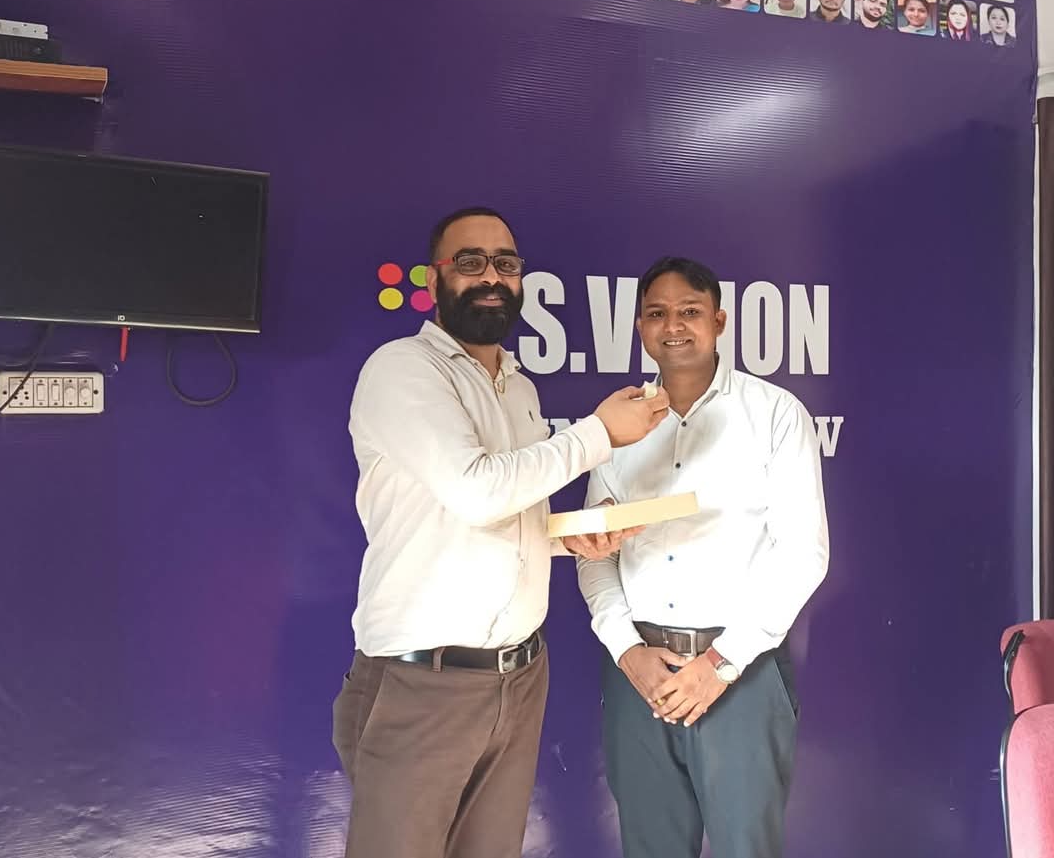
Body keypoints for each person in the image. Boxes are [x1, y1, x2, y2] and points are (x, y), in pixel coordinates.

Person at [333, 210, 666, 858]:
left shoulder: (518, 388)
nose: (491, 276)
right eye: (471, 262)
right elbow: (477, 490)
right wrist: (599, 434)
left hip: (519, 676)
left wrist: (569, 537)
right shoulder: (402, 370)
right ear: (433, 280)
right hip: (424, 681)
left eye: (506, 264)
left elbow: (500, 514)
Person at [578, 258, 827, 858]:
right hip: (642, 674)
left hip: (740, 671)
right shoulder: (616, 426)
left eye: (689, 312)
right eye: (657, 314)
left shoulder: (773, 413)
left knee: (747, 848)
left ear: (718, 321)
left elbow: (804, 554)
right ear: (639, 327)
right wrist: (627, 650)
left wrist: (720, 663)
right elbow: (594, 553)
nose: (673, 327)